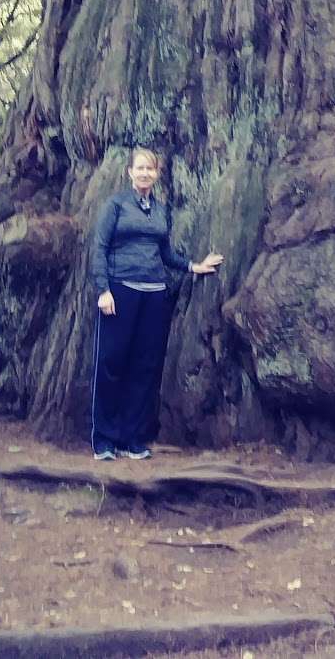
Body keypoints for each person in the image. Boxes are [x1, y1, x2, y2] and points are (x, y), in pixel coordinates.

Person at [89, 147, 223, 461]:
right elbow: (99, 248)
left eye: (150, 169)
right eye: (140, 168)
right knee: (111, 363)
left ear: (157, 174)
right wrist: (103, 290)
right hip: (121, 291)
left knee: (144, 367)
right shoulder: (116, 205)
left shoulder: (160, 210)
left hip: (153, 293)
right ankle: (104, 440)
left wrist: (193, 266)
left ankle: (132, 439)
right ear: (130, 172)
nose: (145, 173)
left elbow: (165, 253)